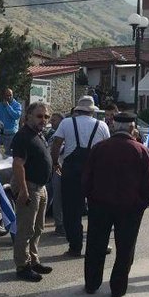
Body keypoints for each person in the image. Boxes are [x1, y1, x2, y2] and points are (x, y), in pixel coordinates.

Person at [82, 112, 149, 297]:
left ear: (114, 127)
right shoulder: (141, 150)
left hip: (100, 205)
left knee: (95, 246)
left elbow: (86, 179)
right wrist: (141, 204)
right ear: (133, 129)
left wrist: (90, 198)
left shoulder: (99, 148)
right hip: (130, 208)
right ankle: (118, 288)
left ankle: (92, 284)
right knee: (125, 248)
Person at [50, 96, 110, 257]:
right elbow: (107, 149)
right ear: (92, 111)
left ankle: (75, 247)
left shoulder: (66, 123)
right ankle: (99, 245)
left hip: (71, 170)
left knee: (71, 211)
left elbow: (56, 144)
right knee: (97, 209)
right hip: (95, 171)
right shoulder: (102, 125)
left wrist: (55, 163)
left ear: (76, 110)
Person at [11, 102, 54, 282]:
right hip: (29, 187)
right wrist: (23, 190)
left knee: (38, 228)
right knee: (26, 229)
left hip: (41, 187)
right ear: (28, 116)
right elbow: (18, 164)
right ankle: (22, 265)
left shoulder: (38, 135)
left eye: (46, 117)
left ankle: (33, 260)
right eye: (39, 116)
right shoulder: (23, 136)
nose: (43, 120)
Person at [46, 112, 65, 235]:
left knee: (57, 196)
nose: (51, 122)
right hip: (51, 168)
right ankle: (59, 223)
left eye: (54, 120)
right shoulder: (50, 134)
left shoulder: (64, 134)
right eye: (51, 120)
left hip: (60, 168)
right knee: (51, 196)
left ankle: (60, 223)